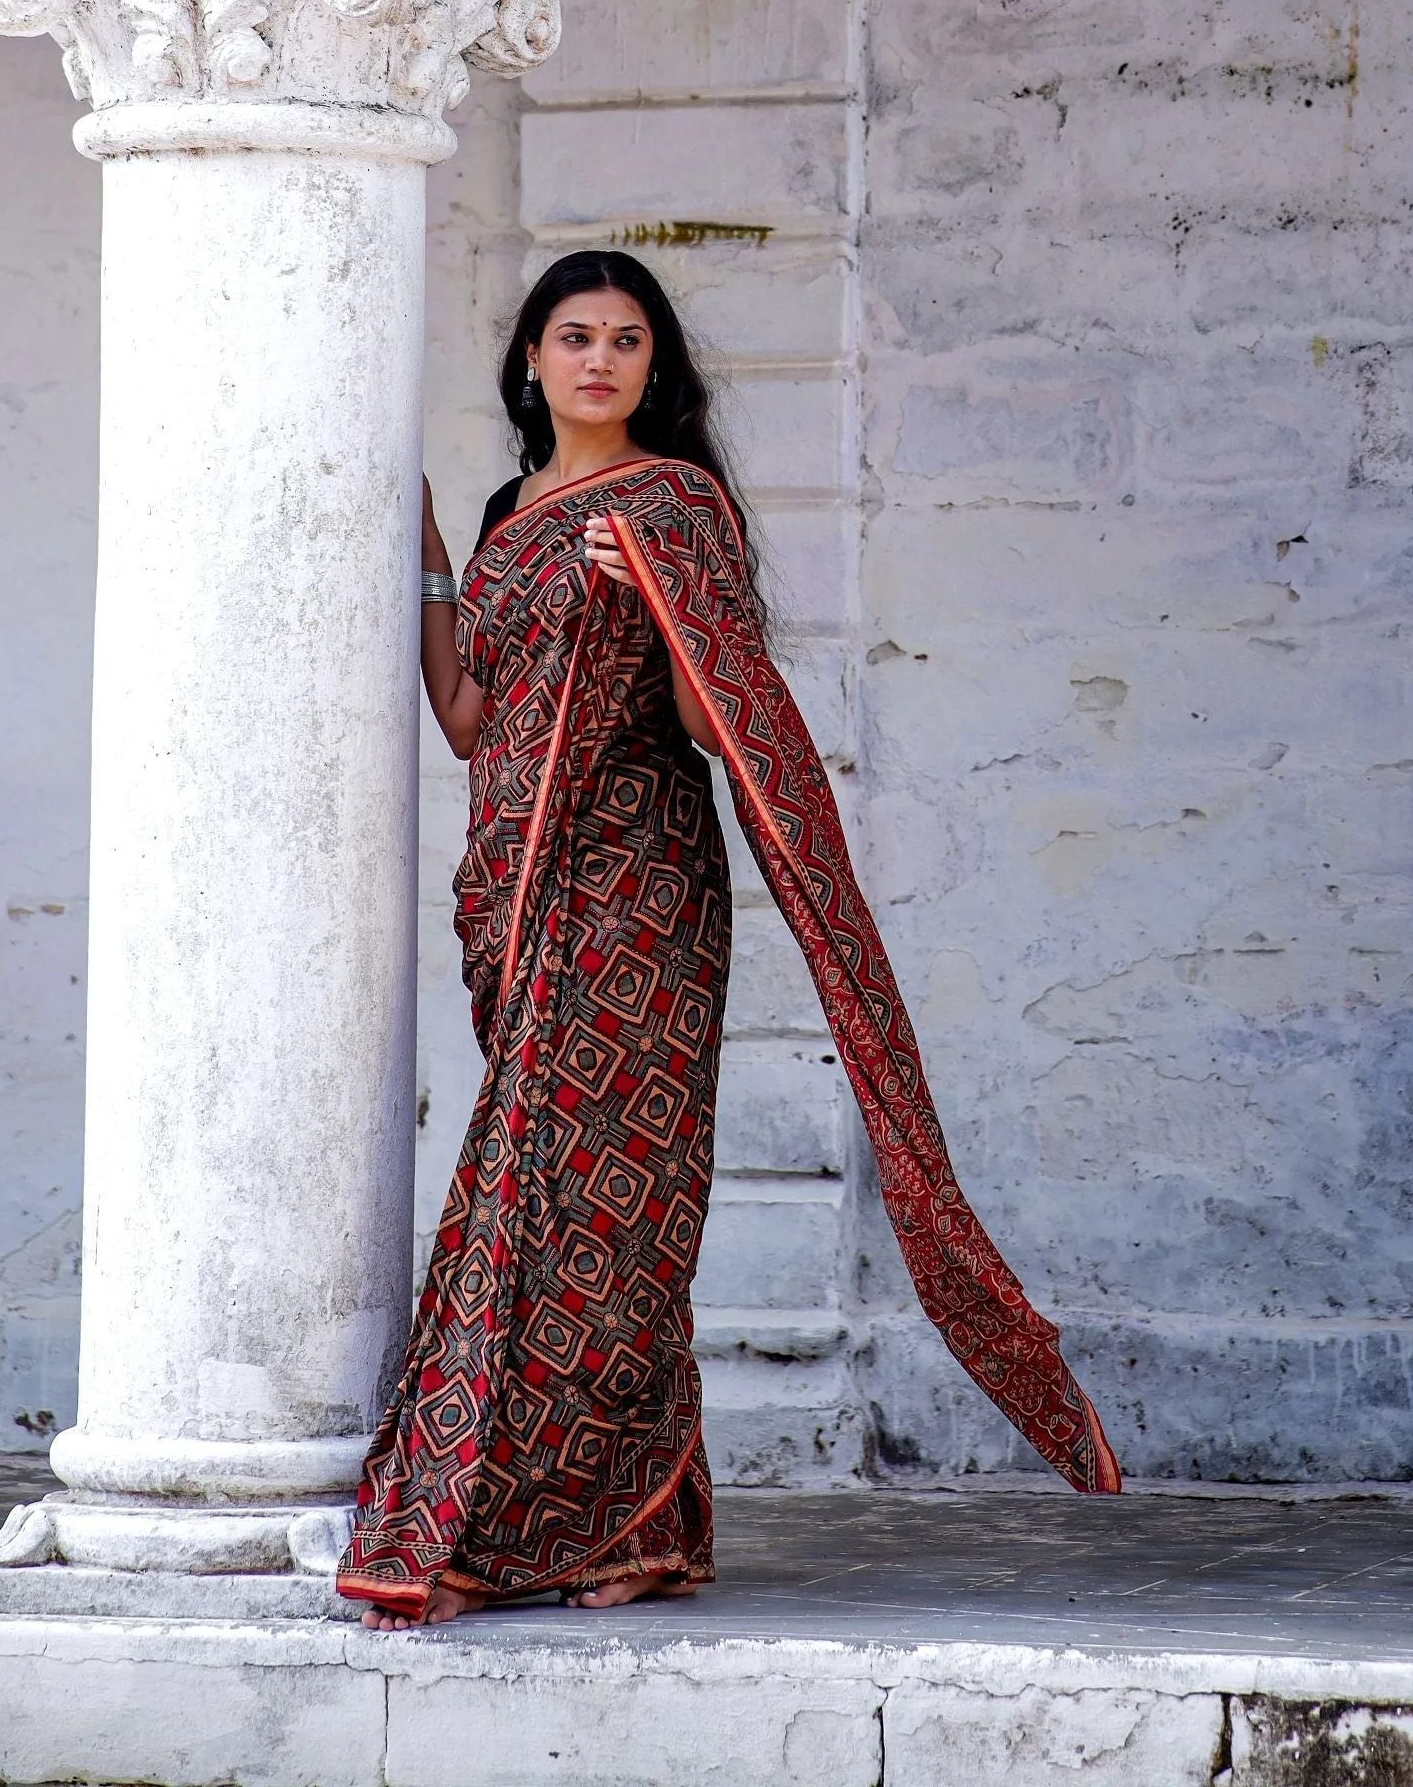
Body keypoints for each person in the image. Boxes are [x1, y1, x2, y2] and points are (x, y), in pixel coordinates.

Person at [337, 250, 1117, 1627]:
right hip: (515, 881)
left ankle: (554, 1526)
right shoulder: (517, 513)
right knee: (546, 1192)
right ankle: (628, 1521)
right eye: (573, 337)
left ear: (656, 369)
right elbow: (469, 721)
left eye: (626, 341)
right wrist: (429, 565)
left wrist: (650, 590)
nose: (597, 361)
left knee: (607, 1201)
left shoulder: (676, 506)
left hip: (638, 888)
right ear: (529, 359)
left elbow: (717, 720)